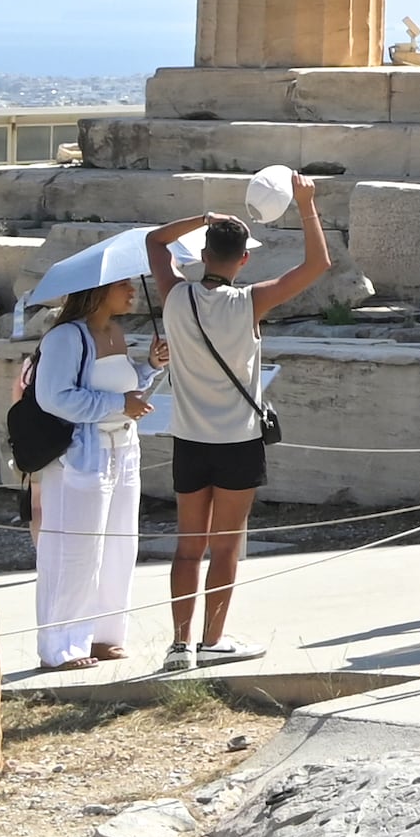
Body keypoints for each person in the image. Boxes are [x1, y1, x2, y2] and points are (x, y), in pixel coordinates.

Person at [144, 173, 334, 668]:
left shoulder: (176, 297)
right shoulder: (250, 301)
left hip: (189, 439)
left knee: (189, 548)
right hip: (238, 441)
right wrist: (307, 205)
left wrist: (203, 218)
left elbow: (154, 241)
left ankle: (180, 645)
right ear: (243, 259)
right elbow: (319, 264)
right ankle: (213, 640)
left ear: (204, 254)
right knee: (226, 548)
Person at [24, 272, 154, 667]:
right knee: (75, 550)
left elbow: (126, 391)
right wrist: (118, 405)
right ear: (98, 290)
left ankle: (104, 635)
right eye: (123, 285)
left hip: (123, 450)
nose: (132, 290)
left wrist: (150, 367)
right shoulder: (65, 338)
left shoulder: (115, 333)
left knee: (119, 545)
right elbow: (54, 398)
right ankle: (61, 645)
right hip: (82, 455)